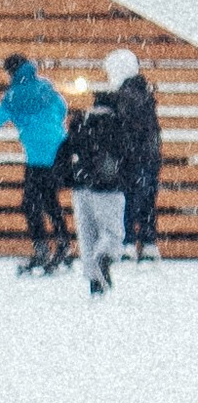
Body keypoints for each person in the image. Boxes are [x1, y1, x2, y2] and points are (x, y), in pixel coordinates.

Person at [0, 52, 73, 274]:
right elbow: (62, 108)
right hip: (60, 149)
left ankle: (42, 249)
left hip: (38, 156)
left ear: (10, 72)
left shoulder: (14, 96)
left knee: (30, 204)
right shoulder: (46, 87)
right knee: (50, 202)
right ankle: (63, 245)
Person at [58, 76, 133, 296]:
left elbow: (63, 153)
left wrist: (68, 178)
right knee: (112, 233)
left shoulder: (81, 122)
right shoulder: (117, 125)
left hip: (81, 187)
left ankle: (94, 280)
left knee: (87, 235)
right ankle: (104, 257)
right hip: (108, 187)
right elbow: (127, 156)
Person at [106, 47, 164, 259]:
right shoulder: (144, 92)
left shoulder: (124, 96)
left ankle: (128, 243)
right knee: (147, 201)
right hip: (149, 156)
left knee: (128, 201)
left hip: (132, 158)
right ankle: (148, 243)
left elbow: (125, 130)